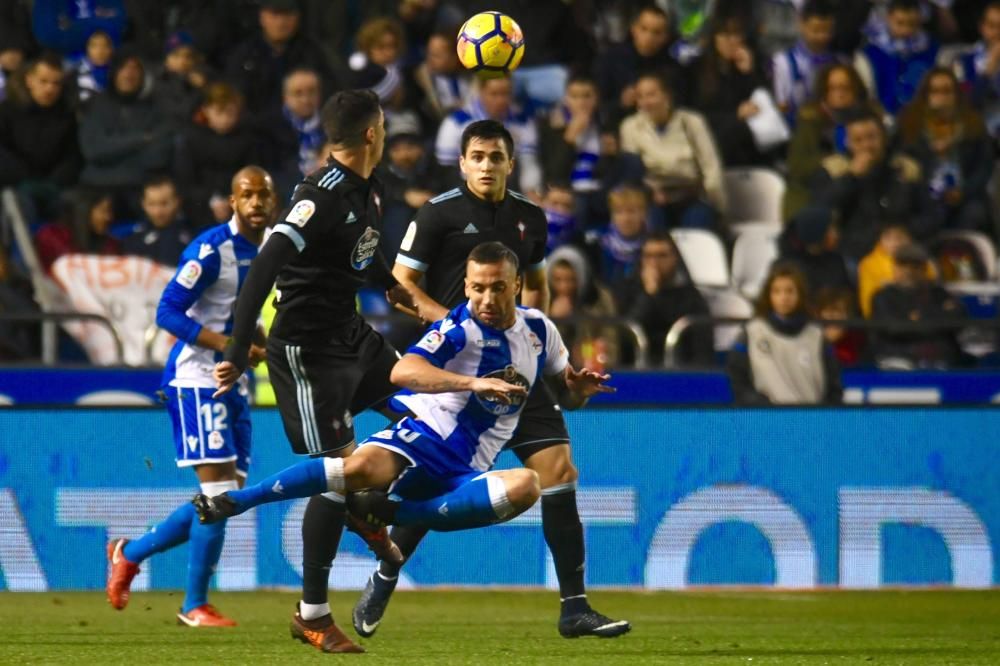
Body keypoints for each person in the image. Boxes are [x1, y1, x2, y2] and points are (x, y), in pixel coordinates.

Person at [192, 242, 621, 628]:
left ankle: (391, 514)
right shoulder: (459, 330)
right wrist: (473, 384)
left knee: (527, 486)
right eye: (476, 288)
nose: (485, 299)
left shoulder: (540, 330)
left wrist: (577, 391)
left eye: (496, 288)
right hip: (421, 439)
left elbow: (567, 390)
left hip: (465, 470)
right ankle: (235, 502)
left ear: (517, 285)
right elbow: (403, 370)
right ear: (467, 287)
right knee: (354, 468)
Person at [381, 119, 631, 640]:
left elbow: (535, 287)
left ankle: (574, 608)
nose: (487, 165)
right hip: (459, 371)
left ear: (511, 163)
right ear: (463, 162)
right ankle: (386, 573)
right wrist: (452, 326)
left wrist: (529, 340)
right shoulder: (436, 213)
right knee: (437, 477)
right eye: (478, 156)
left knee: (560, 470)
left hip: (517, 369)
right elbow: (400, 286)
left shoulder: (530, 218)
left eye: (497, 157)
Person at [210, 89, 409, 654]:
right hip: (308, 354)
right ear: (371, 133)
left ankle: (366, 509)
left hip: (352, 337)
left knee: (426, 413)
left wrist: (391, 285)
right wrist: (235, 344)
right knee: (337, 473)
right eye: (384, 123)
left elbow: (359, 255)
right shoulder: (315, 195)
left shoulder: (371, 187)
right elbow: (265, 266)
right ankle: (312, 614)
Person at [104, 166, 278, 626]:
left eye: (264, 195)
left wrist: (253, 343)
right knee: (218, 493)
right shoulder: (211, 248)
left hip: (231, 380)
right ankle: (193, 604)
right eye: (247, 194)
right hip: (197, 377)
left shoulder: (269, 249)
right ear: (233, 201)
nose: (256, 202)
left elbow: (238, 313)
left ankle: (130, 552)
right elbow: (168, 311)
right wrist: (229, 346)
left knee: (224, 496)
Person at [810, 108, 936, 263]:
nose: (867, 146)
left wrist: (906, 232)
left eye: (872, 137)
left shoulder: (905, 168)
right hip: (854, 254)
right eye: (858, 140)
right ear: (848, 143)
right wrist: (852, 178)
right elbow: (819, 211)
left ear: (884, 137)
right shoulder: (834, 170)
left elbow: (931, 214)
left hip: (903, 252)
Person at [620, 71, 726, 231]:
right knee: (651, 223)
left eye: (651, 95)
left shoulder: (691, 122)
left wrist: (718, 207)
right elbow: (632, 174)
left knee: (698, 225)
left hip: (692, 196)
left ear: (667, 96)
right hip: (654, 199)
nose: (645, 102)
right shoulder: (630, 127)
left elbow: (711, 168)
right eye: (640, 96)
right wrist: (649, 194)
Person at [727, 263, 843, 405]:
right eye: (777, 291)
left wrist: (822, 413)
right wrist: (759, 404)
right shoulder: (752, 333)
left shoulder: (817, 336)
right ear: (768, 295)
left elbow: (834, 385)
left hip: (811, 420)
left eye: (789, 291)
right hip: (767, 420)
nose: (784, 298)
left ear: (799, 294)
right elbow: (737, 379)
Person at [612, 231, 714, 367]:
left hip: (679, 375)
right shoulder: (626, 291)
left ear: (675, 258)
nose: (654, 263)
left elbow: (703, 351)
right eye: (648, 256)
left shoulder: (692, 297)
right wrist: (649, 295)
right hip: (636, 374)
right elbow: (624, 339)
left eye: (662, 256)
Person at [0, 53, 82, 222]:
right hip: (15, 185)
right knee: (20, 204)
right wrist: (25, 178)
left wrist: (55, 182)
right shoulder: (7, 111)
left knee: (75, 204)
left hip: (55, 187)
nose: (50, 89)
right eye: (43, 81)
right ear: (30, 81)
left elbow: (73, 155)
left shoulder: (66, 114)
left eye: (56, 83)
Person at [435, 75, 542, 199]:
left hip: (508, 189)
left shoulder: (522, 122)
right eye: (494, 94)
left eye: (505, 94)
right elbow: (445, 169)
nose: (501, 100)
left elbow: (528, 163)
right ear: (480, 92)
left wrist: (532, 193)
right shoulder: (456, 122)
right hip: (463, 190)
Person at [871, 242, 966, 368]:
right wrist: (938, 316)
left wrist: (918, 317)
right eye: (903, 265)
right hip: (898, 358)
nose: (909, 271)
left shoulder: (939, 293)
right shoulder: (884, 296)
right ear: (895, 268)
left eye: (915, 266)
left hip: (941, 357)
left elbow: (958, 319)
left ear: (924, 269)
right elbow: (893, 329)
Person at [855, 0, 939, 116]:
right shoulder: (869, 54)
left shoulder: (932, 50)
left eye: (912, 24)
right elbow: (867, 95)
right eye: (900, 23)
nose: (906, 30)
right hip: (883, 118)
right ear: (888, 18)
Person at [771, 0, 840, 125]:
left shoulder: (839, 62)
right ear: (801, 25)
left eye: (827, 30)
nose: (821, 37)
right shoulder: (783, 63)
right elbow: (781, 106)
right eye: (816, 30)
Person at [120, 176, 193, 266]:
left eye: (164, 203)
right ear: (143, 204)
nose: (158, 212)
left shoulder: (196, 236)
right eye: (151, 204)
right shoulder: (133, 240)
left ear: (177, 201)